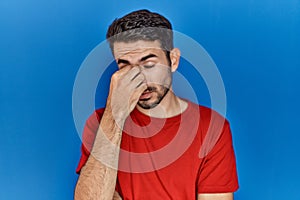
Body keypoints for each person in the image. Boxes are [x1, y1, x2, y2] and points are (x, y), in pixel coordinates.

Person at [74, 9, 239, 200]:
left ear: (173, 60)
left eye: (149, 64)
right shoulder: (100, 122)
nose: (138, 78)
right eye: (125, 65)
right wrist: (114, 114)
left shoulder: (212, 127)